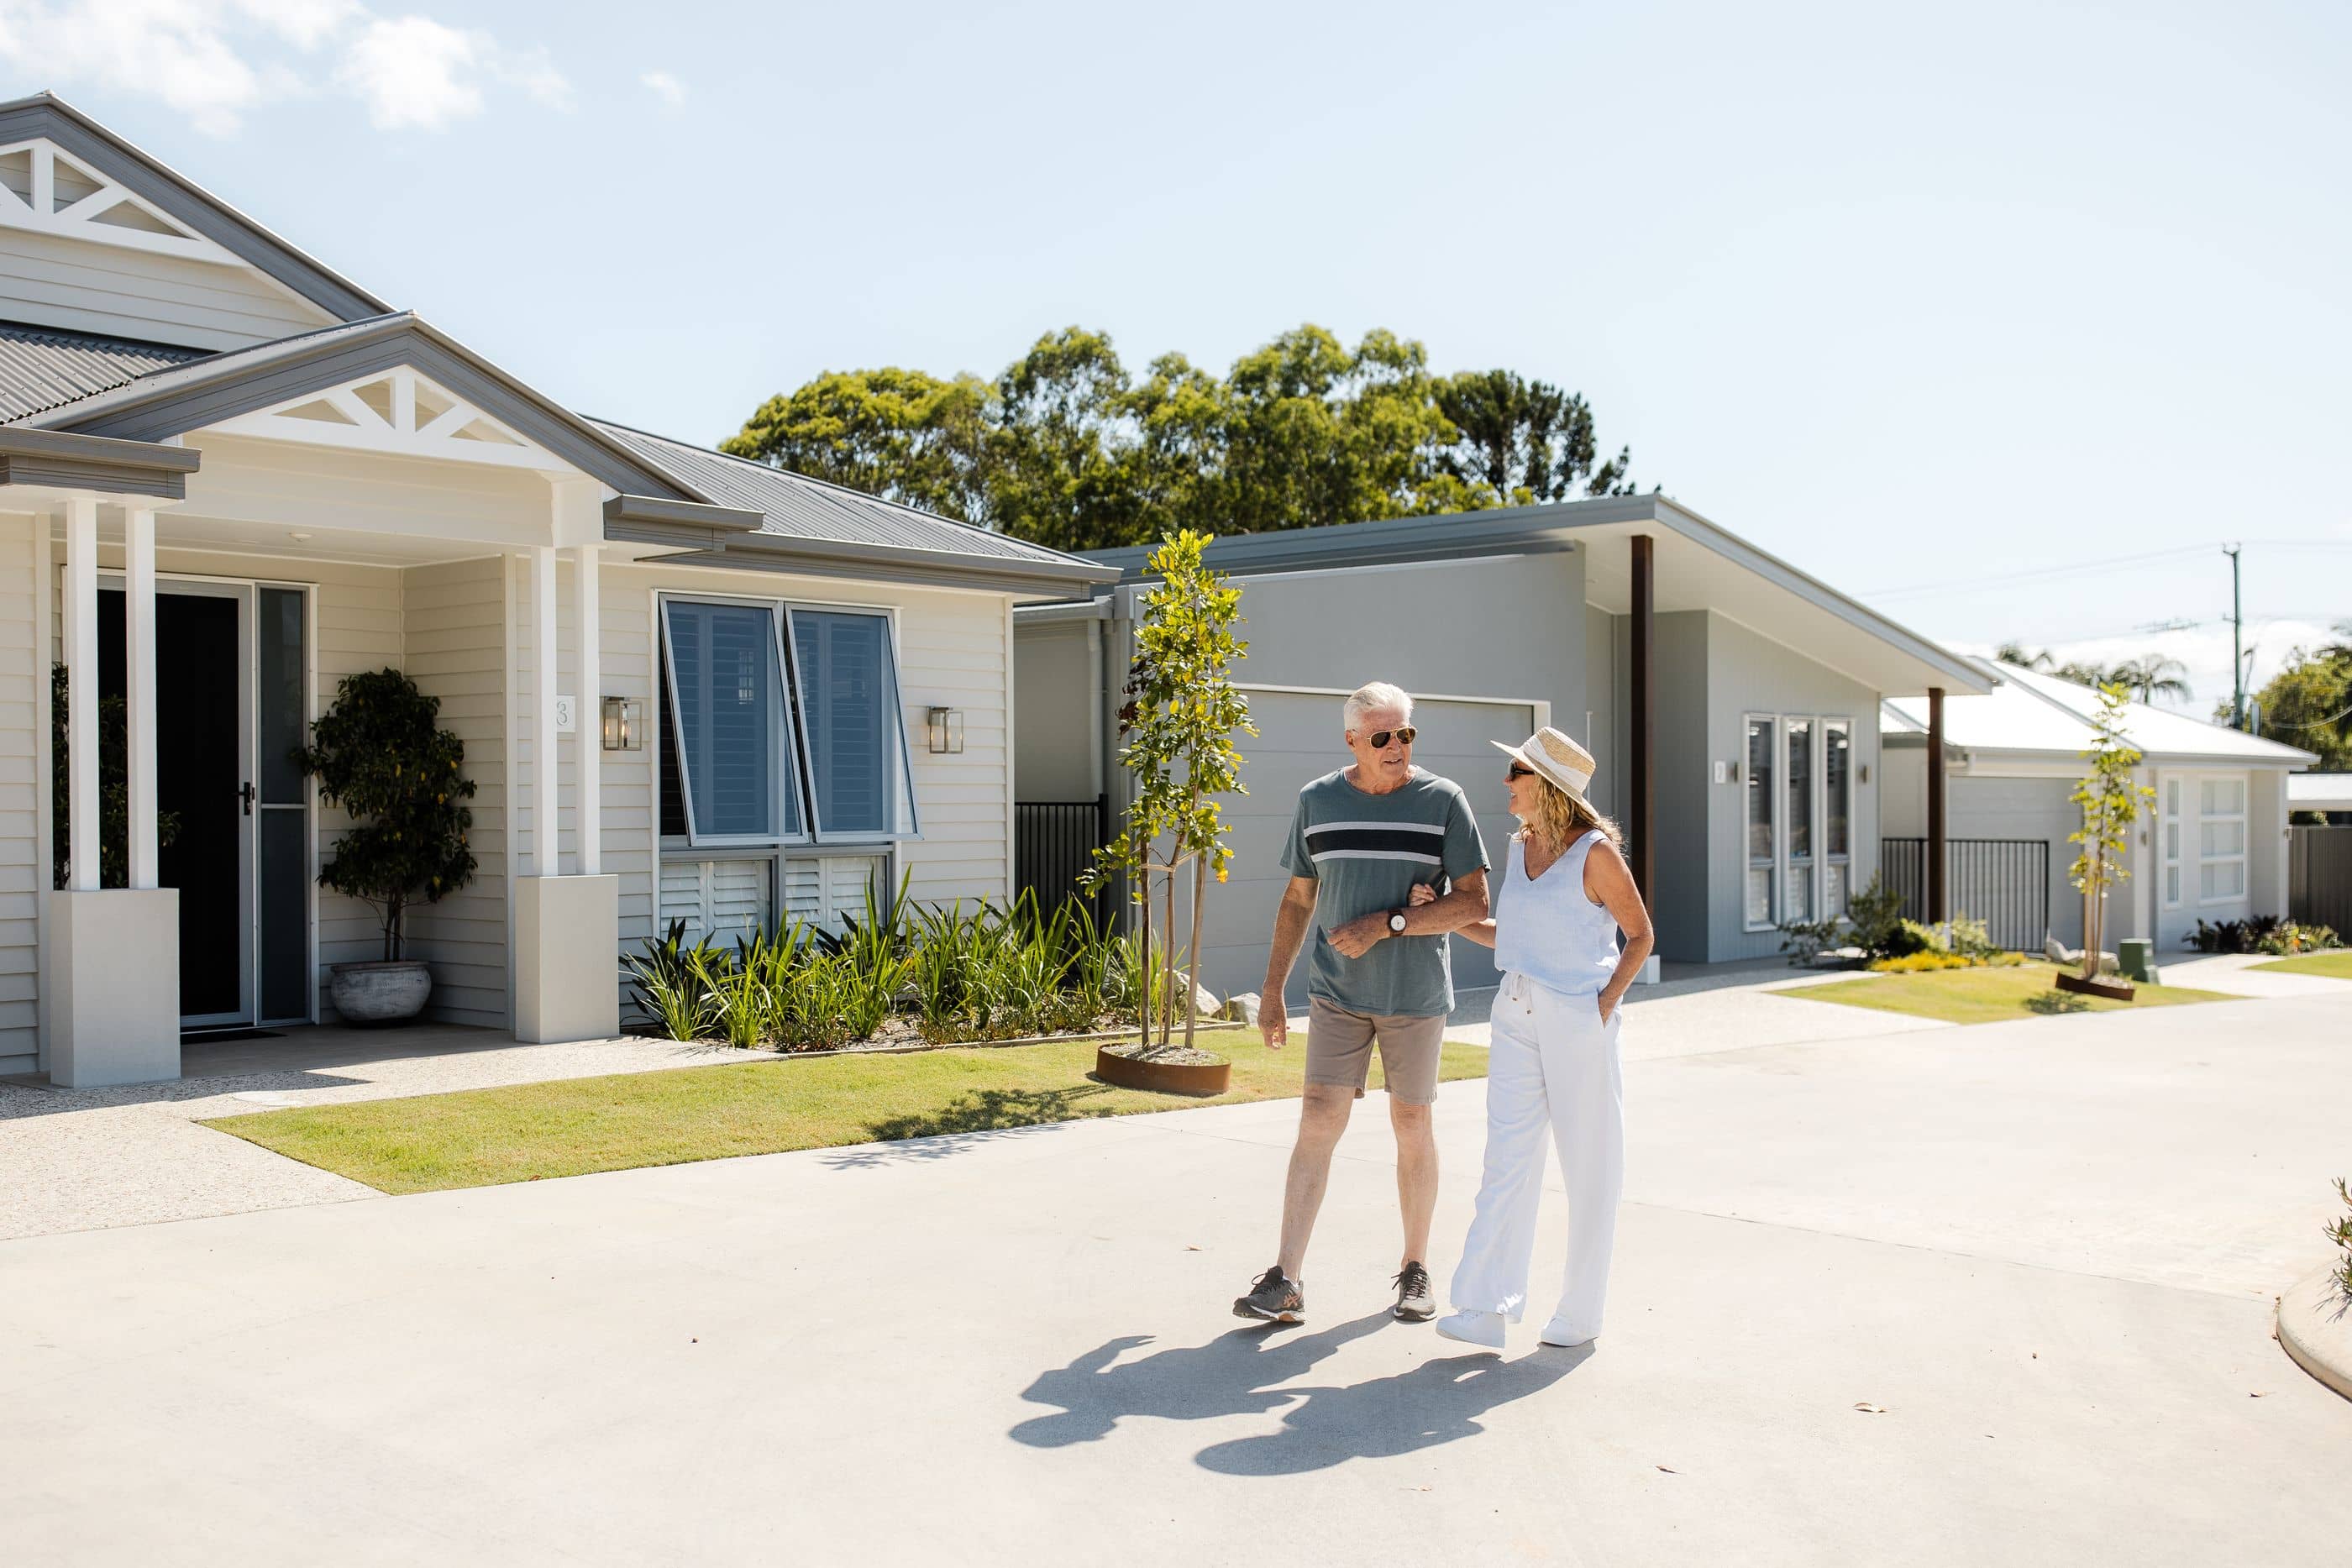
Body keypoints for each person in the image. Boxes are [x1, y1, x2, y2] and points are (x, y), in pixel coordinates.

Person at [1232, 682, 1490, 1326]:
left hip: (1415, 995)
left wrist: (1390, 922)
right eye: (1383, 736)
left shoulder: (1444, 802)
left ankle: (1414, 1269)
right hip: (1336, 994)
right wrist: (1271, 990)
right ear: (1352, 740)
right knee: (1318, 1117)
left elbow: (1474, 903)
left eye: (1407, 733)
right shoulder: (1317, 801)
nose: (1398, 746)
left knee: (1411, 1124)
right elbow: (1298, 898)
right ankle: (1286, 1277)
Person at [1430, 725, 1653, 1351]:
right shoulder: (1521, 845)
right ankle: (1484, 1307)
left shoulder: (1597, 855)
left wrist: (1601, 1006)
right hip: (1516, 1008)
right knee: (1506, 1157)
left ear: (1548, 786)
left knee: (1590, 1164)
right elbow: (1514, 937)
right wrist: (1443, 916)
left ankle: (1581, 1313)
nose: (1507, 781)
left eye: (1518, 772)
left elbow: (1641, 934)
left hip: (1576, 1016)